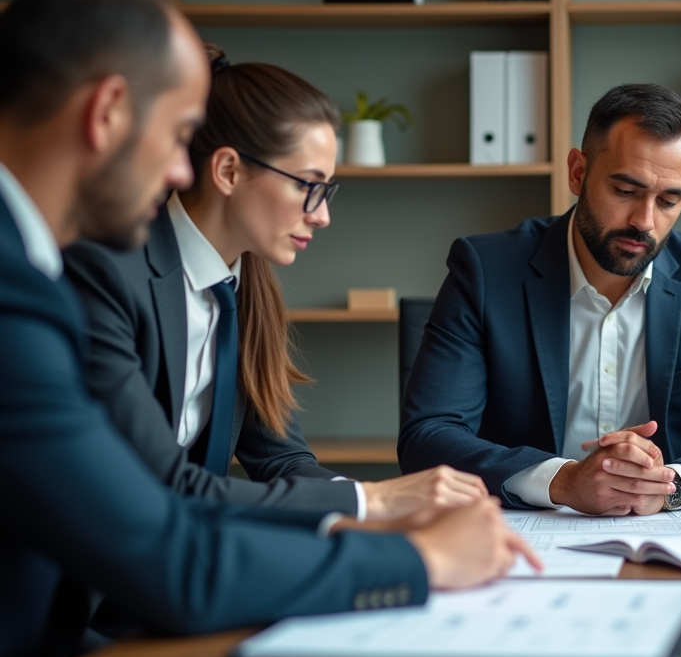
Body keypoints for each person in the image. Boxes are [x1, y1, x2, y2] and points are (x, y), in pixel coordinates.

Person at [0, 0, 537, 657]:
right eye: (178, 135)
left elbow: (260, 467)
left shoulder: (226, 283)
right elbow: (164, 532)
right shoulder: (49, 282)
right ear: (108, 114)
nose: (178, 171)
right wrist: (411, 550)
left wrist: (373, 521)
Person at [63, 46, 486, 521]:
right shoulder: (111, 272)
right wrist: (376, 501)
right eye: (308, 186)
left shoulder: (244, 290)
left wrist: (390, 509)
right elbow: (155, 483)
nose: (322, 216)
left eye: (327, 191)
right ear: (227, 171)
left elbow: (282, 460)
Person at [399, 84, 681, 514]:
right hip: (522, 534)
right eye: (625, 191)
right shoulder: (485, 270)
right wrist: (563, 481)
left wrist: (668, 486)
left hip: (668, 536)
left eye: (668, 200)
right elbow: (427, 436)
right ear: (577, 172)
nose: (645, 222)